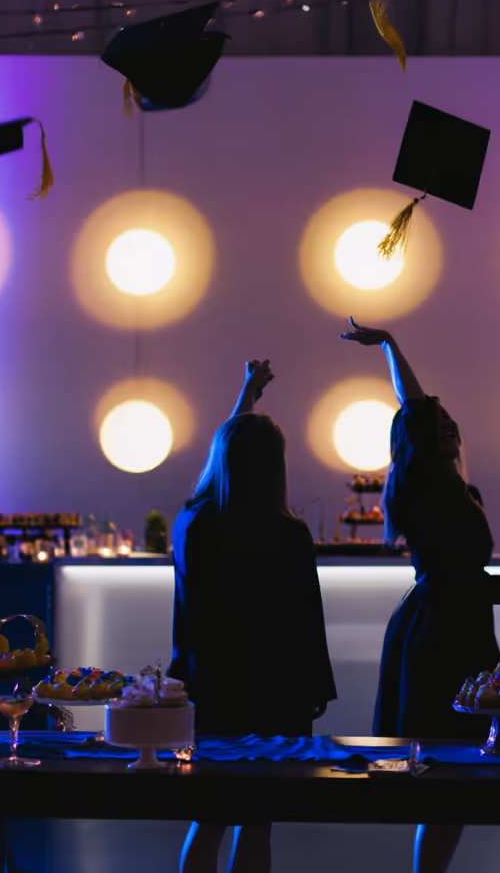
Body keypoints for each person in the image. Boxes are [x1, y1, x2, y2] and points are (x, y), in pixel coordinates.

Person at [340, 318, 500, 873]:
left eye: (447, 422)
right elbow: (415, 409)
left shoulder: (461, 491)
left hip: (456, 620)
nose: (442, 426)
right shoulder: (425, 486)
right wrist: (390, 345)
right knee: (446, 760)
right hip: (442, 626)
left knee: (455, 765)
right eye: (433, 424)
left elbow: (471, 581)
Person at [171, 360, 337, 873]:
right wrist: (317, 687)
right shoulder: (288, 533)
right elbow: (308, 617)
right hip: (277, 688)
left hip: (211, 684)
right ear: (275, 466)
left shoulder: (193, 524)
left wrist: (247, 395)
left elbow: (223, 455)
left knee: (208, 816)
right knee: (258, 821)